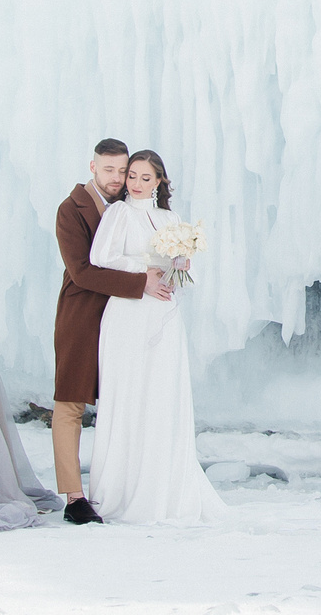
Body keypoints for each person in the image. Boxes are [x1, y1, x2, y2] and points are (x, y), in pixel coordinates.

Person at [88, 149, 229, 525]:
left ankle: (165, 488)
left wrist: (180, 265)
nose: (134, 183)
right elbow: (101, 257)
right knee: (130, 391)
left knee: (162, 393)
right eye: (131, 176)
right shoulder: (118, 214)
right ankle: (122, 488)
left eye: (144, 177)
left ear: (159, 181)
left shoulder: (172, 219)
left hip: (164, 313)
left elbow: (187, 271)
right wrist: (144, 272)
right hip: (128, 312)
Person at [52, 138, 171, 525]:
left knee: (126, 399)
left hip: (127, 319)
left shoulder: (131, 209)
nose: (118, 178)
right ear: (92, 167)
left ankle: (125, 486)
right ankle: (74, 497)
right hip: (84, 316)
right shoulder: (71, 210)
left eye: (124, 171)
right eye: (110, 170)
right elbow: (82, 272)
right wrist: (141, 283)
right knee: (71, 402)